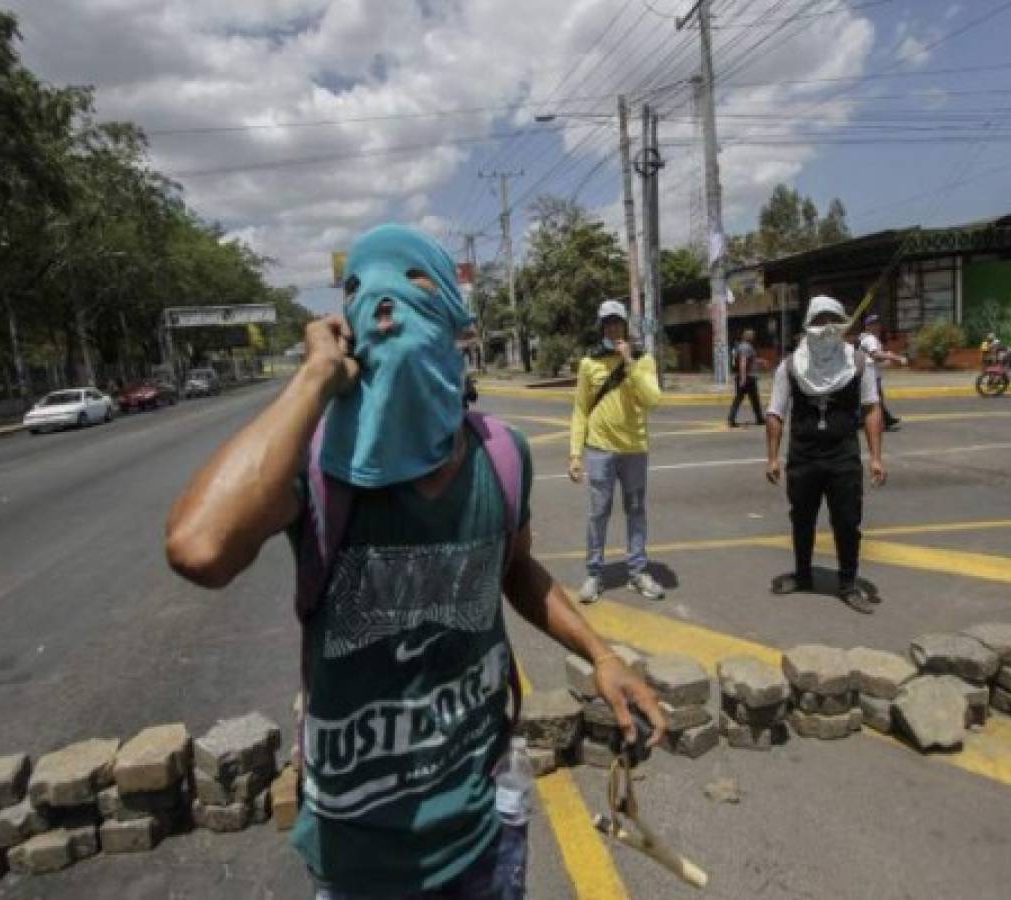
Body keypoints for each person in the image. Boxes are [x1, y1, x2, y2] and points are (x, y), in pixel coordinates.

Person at [165, 225, 665, 899]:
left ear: (458, 324)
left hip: (484, 827)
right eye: (361, 289)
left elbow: (513, 569)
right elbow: (199, 549)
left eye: (414, 282)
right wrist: (313, 378)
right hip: (358, 854)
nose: (387, 303)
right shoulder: (315, 462)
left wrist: (601, 654)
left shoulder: (502, 455)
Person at [765, 295, 887, 614]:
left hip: (843, 456)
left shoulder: (859, 363)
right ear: (808, 324)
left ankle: (848, 583)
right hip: (803, 456)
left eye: (833, 320)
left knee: (847, 521)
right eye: (819, 321)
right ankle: (803, 575)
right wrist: (772, 457)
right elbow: (775, 412)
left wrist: (875, 457)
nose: (826, 328)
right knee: (802, 519)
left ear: (842, 324)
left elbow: (872, 408)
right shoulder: (791, 366)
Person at [568, 299, 665, 603]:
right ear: (601, 327)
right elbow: (581, 410)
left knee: (636, 510)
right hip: (599, 450)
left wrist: (630, 364)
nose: (613, 327)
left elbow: (653, 399)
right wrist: (575, 454)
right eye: (607, 323)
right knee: (598, 513)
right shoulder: (589, 364)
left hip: (634, 449)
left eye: (617, 322)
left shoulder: (643, 360)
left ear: (625, 325)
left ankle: (637, 571)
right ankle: (594, 574)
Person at [857, 314, 906, 432]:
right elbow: (875, 355)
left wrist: (886, 358)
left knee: (872, 400)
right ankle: (882, 422)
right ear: (867, 326)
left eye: (877, 324)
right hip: (869, 375)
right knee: (875, 400)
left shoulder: (866, 338)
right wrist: (894, 357)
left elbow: (874, 357)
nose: (876, 326)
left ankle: (883, 420)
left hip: (868, 374)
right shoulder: (870, 339)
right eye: (872, 324)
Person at [727, 328, 764, 428]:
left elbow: (749, 361)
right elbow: (743, 363)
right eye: (752, 335)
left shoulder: (744, 347)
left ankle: (760, 418)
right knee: (740, 399)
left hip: (748, 377)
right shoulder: (746, 347)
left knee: (753, 399)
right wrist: (743, 379)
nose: (753, 337)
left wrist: (760, 361)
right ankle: (731, 419)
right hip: (747, 378)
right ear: (748, 337)